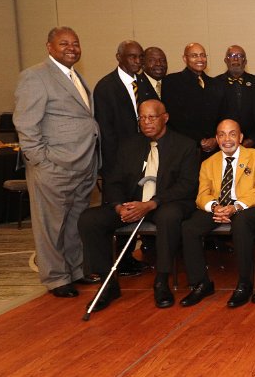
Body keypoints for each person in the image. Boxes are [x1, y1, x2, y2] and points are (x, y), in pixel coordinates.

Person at [77, 99, 199, 311]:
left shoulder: (185, 146)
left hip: (166, 203)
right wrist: (119, 206)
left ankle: (161, 281)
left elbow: (187, 186)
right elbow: (113, 181)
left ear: (165, 118)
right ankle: (107, 283)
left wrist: (152, 203)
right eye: (141, 118)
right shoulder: (128, 146)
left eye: (151, 117)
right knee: (90, 219)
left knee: (169, 216)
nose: (146, 122)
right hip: (133, 204)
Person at [14, 27, 100, 298]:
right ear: (49, 46)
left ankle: (75, 270)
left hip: (83, 165)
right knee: (50, 227)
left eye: (75, 43)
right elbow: (26, 124)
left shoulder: (75, 76)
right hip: (54, 167)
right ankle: (56, 278)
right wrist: (41, 162)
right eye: (63, 43)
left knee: (74, 223)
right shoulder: (35, 76)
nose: (71, 48)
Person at [179, 119, 255, 308]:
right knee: (189, 228)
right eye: (222, 135)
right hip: (219, 207)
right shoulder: (208, 163)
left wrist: (235, 207)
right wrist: (215, 207)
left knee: (241, 223)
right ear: (216, 138)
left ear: (241, 137)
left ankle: (245, 284)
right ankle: (201, 283)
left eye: (232, 134)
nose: (227, 139)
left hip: (248, 206)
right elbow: (202, 195)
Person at [93, 39, 157, 178]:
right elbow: (105, 130)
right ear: (119, 57)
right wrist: (115, 160)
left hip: (145, 153)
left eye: (141, 57)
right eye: (132, 57)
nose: (138, 61)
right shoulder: (105, 87)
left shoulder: (143, 82)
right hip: (118, 158)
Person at [161, 42, 219, 155]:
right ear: (184, 58)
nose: (200, 59)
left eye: (203, 55)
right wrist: (199, 140)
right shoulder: (172, 81)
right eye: (194, 55)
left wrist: (216, 138)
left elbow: (223, 114)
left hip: (215, 148)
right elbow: (173, 118)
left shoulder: (215, 84)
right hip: (185, 148)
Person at [216, 45, 255, 146]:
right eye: (231, 56)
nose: (235, 59)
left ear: (245, 61)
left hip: (254, 143)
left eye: (240, 56)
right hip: (224, 143)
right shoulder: (215, 83)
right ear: (225, 60)